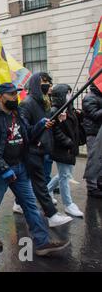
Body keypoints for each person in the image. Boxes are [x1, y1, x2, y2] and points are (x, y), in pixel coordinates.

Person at [0, 83, 70, 256]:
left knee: (30, 205)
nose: (15, 97)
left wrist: (41, 125)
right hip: (0, 170)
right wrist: (4, 169)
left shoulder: (17, 114)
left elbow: (28, 135)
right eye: (10, 94)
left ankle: (42, 242)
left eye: (16, 94)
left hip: (19, 168)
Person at [18, 73, 72, 227]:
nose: (48, 85)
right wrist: (41, 124)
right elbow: (25, 132)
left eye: (49, 82)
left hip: (41, 149)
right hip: (32, 150)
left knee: (28, 181)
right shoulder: (26, 104)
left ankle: (17, 203)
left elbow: (47, 126)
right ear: (36, 84)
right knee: (40, 183)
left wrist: (55, 121)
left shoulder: (44, 103)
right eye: (44, 82)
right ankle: (51, 215)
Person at [47, 84, 84, 217]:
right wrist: (67, 142)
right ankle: (68, 205)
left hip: (70, 148)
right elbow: (55, 131)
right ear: (61, 95)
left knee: (65, 174)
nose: (70, 95)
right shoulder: (55, 110)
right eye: (67, 93)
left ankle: (46, 191)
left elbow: (74, 127)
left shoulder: (69, 108)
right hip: (62, 149)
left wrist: (78, 115)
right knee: (64, 176)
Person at [82, 83, 102, 198]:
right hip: (93, 133)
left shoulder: (99, 96)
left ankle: (99, 183)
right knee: (93, 159)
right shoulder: (89, 97)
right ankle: (92, 187)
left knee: (100, 159)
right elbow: (94, 115)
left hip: (99, 132)